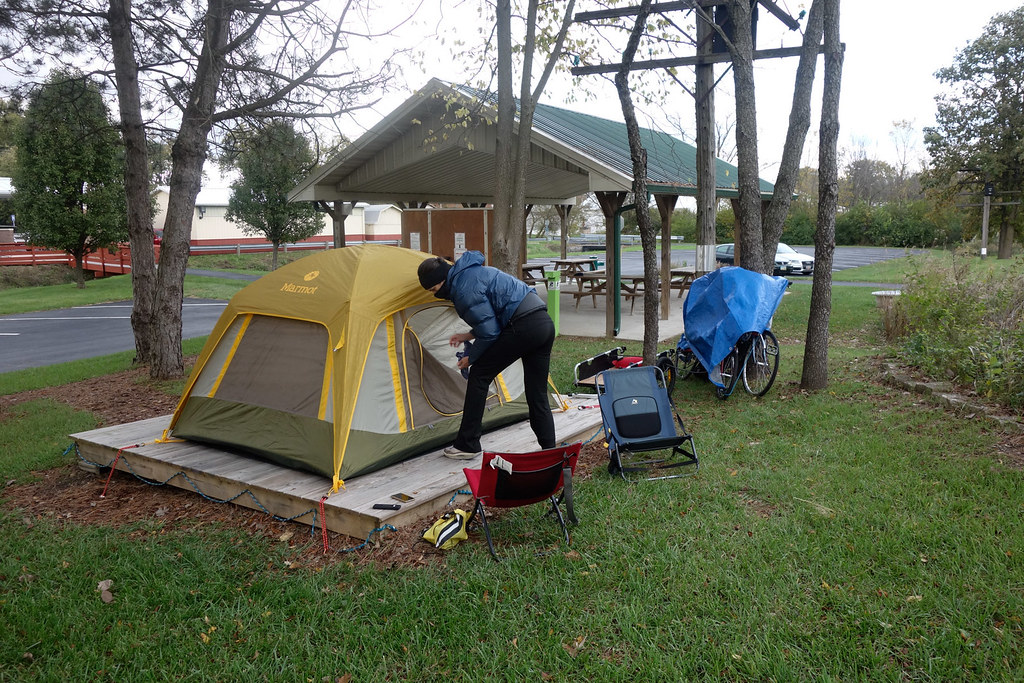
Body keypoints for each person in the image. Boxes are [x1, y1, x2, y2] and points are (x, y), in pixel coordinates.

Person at [417, 250, 556, 459]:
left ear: (443, 280)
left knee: (479, 374)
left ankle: (467, 444)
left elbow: (490, 333)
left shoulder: (462, 290)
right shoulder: (472, 273)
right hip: (542, 323)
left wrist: (471, 358)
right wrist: (467, 336)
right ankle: (550, 451)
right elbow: (493, 320)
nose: (435, 293)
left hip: (522, 327)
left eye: (434, 289)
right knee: (537, 394)